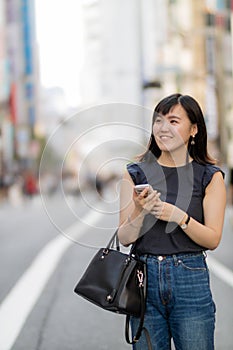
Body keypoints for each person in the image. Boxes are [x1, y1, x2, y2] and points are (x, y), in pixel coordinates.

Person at [117, 93, 226, 350]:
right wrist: (141, 212)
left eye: (174, 121)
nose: (163, 128)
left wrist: (179, 217)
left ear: (194, 129)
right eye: (158, 120)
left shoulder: (210, 177)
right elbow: (124, 237)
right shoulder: (135, 173)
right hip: (144, 279)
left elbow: (213, 239)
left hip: (190, 278)